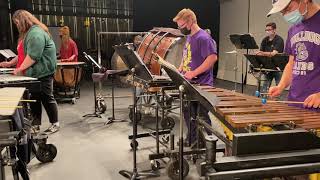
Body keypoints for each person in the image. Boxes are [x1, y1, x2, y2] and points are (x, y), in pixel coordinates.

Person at [268, 0, 320, 178]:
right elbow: (292, 63)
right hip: (295, 107)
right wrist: (282, 85)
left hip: (317, 112)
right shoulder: (293, 29)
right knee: (293, 166)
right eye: (281, 12)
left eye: (287, 9)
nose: (285, 15)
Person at [173, 8, 218, 146]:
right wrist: (180, 68)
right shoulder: (190, 37)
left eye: (181, 25)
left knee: (202, 116)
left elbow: (212, 58)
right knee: (188, 114)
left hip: (201, 84)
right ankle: (193, 140)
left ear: (191, 21)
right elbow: (187, 55)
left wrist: (194, 73)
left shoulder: (203, 37)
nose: (180, 28)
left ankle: (207, 145)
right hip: (189, 83)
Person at [12, 10, 60, 133]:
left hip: (43, 73)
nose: (17, 26)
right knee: (35, 99)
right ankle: (36, 124)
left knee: (47, 98)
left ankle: (55, 123)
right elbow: (26, 53)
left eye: (17, 23)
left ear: (23, 21)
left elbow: (33, 56)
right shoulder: (30, 33)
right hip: (35, 74)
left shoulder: (36, 33)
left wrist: (20, 69)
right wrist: (11, 64)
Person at [256, 22, 285, 92]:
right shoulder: (264, 40)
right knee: (264, 88)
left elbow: (273, 53)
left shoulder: (279, 40)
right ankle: (263, 101)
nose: (267, 31)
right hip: (268, 67)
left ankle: (276, 102)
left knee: (278, 89)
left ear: (274, 30)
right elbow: (260, 53)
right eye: (266, 30)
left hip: (278, 68)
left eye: (269, 29)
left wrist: (262, 53)